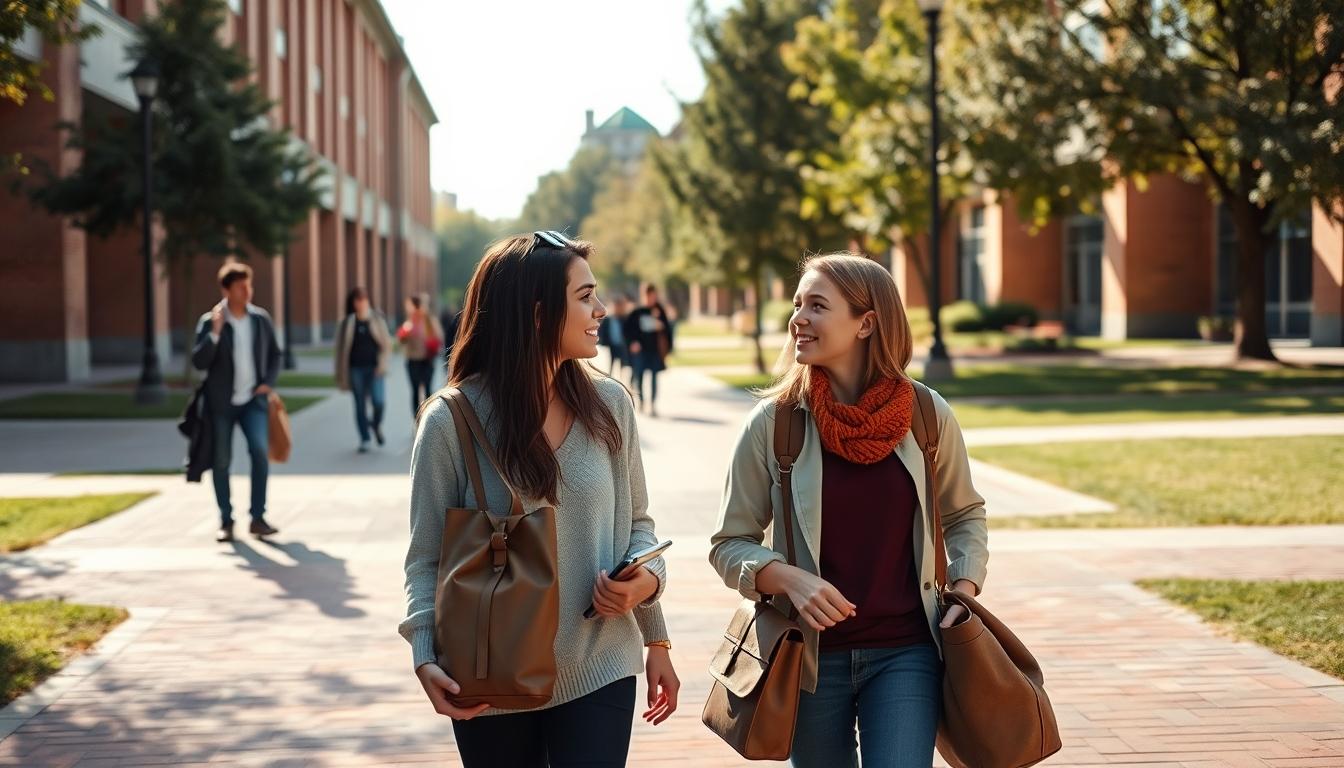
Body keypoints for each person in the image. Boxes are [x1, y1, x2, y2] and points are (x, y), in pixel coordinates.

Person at [399, 231, 679, 768]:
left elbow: (637, 528)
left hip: (601, 664)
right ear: (536, 313)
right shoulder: (449, 421)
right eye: (585, 297)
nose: (601, 310)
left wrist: (655, 628)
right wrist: (423, 652)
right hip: (489, 675)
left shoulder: (610, 404)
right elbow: (425, 558)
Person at [707, 253, 990, 768]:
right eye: (798, 304)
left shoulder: (927, 415)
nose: (798, 318)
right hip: (808, 660)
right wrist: (789, 579)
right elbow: (729, 544)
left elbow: (964, 513)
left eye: (817, 306)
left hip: (907, 652)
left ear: (866, 323)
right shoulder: (774, 424)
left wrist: (964, 592)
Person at [191, 261, 283, 543]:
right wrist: (215, 333)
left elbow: (275, 354)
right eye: (241, 286)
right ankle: (226, 520)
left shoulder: (260, 319)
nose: (247, 291)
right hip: (221, 404)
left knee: (259, 451)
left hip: (253, 400)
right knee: (221, 460)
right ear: (226, 290)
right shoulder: (210, 321)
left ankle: (257, 517)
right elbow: (199, 361)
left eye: (248, 285)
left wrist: (268, 381)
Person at [335, 286, 392, 453]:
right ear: (353, 302)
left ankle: (375, 424)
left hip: (375, 369)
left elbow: (386, 345)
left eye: (364, 299)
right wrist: (340, 372)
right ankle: (365, 438)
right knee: (360, 404)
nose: (361, 303)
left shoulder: (377, 319)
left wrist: (381, 365)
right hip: (356, 369)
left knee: (379, 402)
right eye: (358, 300)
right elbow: (340, 350)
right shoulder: (347, 322)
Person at [623, 284, 674, 417]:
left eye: (653, 295)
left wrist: (659, 323)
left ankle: (652, 404)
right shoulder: (637, 312)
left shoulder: (659, 311)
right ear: (644, 295)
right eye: (649, 296)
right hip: (641, 352)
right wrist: (633, 342)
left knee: (654, 377)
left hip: (655, 351)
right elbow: (627, 330)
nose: (651, 298)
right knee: (639, 377)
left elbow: (667, 330)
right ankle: (641, 402)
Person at [397, 293, 445, 416]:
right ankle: (417, 418)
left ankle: (429, 416)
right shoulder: (409, 322)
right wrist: (405, 335)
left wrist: (430, 340)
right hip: (412, 360)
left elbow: (439, 337)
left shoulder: (429, 320)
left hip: (427, 359)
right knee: (415, 390)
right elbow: (401, 341)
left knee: (428, 389)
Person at [597, 294, 629, 378]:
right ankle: (610, 378)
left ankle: (622, 378)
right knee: (611, 363)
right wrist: (602, 340)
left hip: (621, 344)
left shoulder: (624, 318)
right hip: (611, 344)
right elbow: (602, 330)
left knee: (622, 364)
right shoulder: (608, 319)